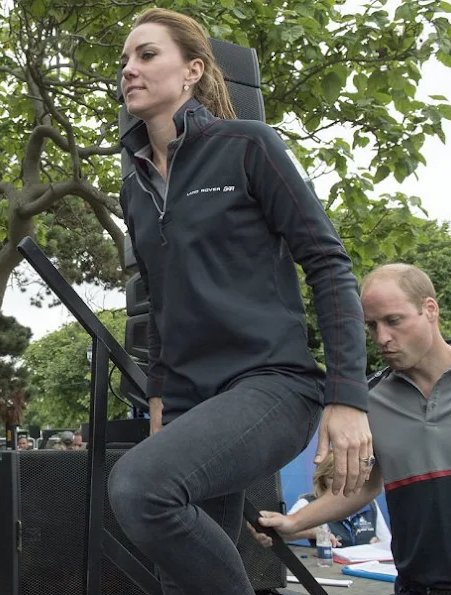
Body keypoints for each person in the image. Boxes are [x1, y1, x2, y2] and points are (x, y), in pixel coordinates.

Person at [108, 8, 372, 595]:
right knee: (181, 576)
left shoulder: (249, 146)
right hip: (188, 400)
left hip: (273, 385)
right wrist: (159, 398)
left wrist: (347, 397)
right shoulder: (132, 186)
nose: (129, 69)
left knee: (139, 488)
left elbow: (328, 263)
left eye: (147, 55)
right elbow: (157, 302)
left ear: (192, 71)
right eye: (124, 60)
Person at [254, 263, 451, 594]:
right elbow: (364, 486)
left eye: (393, 321)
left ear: (430, 309)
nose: (382, 338)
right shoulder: (368, 401)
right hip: (419, 586)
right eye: (372, 326)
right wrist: (295, 522)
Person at [287, 451, 391, 547]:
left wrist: (378, 546)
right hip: (327, 565)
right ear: (322, 479)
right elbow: (282, 532)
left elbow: (388, 542)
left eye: (346, 476)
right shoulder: (307, 503)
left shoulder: (370, 504)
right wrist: (314, 533)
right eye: (332, 477)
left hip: (365, 566)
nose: (340, 483)